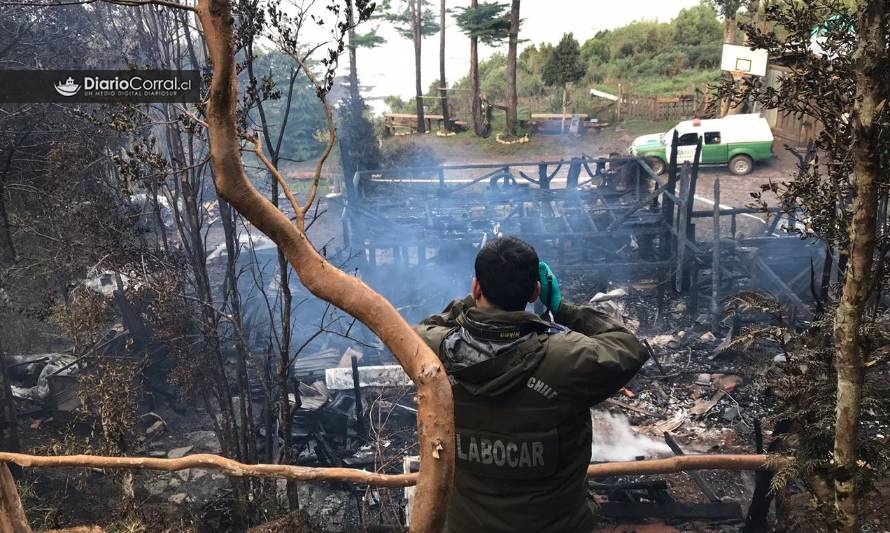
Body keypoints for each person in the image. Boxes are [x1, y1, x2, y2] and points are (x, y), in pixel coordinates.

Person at [415, 236, 648, 533]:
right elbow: (627, 346)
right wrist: (562, 308)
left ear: (476, 288)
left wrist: (469, 302)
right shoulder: (569, 358)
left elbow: (422, 329)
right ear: (535, 291)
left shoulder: (435, 352)